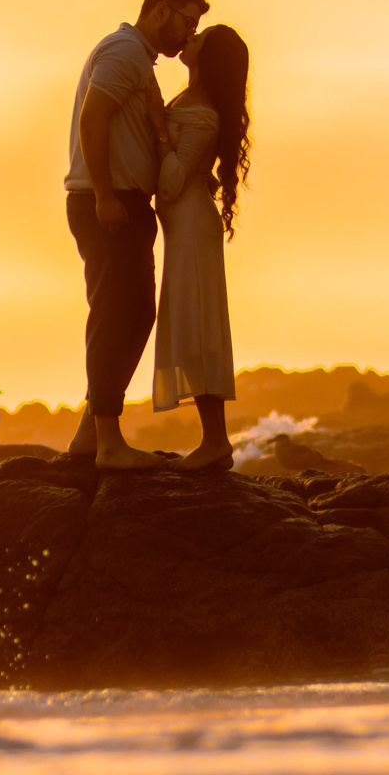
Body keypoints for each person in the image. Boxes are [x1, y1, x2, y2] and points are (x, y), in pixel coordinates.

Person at [63, 0, 208, 468]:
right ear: (161, 11)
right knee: (115, 316)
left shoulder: (135, 56)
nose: (189, 35)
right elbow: (92, 120)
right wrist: (104, 195)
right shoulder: (125, 52)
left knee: (133, 315)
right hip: (109, 202)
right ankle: (107, 444)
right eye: (187, 22)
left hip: (122, 201)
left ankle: (91, 432)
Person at [152, 24, 251, 469]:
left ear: (206, 60)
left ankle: (216, 443)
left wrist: (157, 128)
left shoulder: (201, 112)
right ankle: (215, 441)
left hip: (190, 226)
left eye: (198, 39)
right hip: (187, 226)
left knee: (197, 329)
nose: (188, 40)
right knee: (194, 327)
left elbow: (172, 183)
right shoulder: (193, 103)